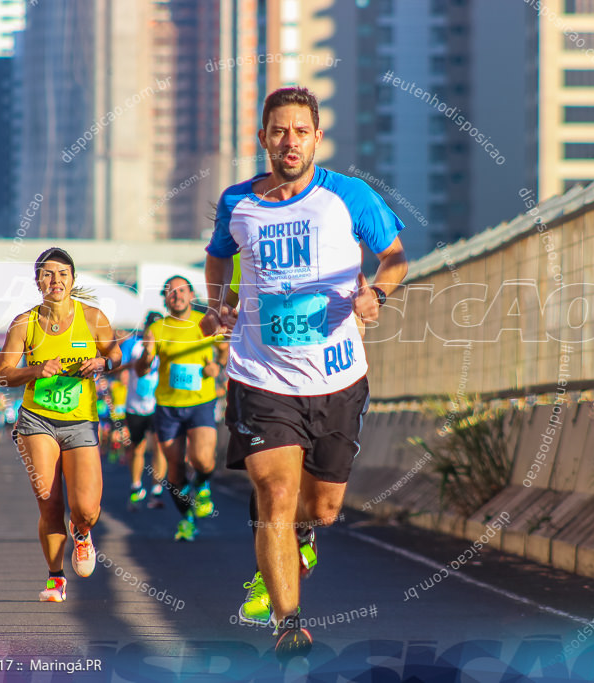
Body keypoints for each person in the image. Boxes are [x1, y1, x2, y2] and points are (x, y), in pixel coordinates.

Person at [202, 86, 408, 658]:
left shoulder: (349, 197)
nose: (288, 142)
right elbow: (218, 254)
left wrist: (379, 296)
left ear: (317, 137)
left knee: (320, 506)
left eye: (300, 131)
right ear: (263, 137)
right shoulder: (238, 202)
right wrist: (220, 300)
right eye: (278, 131)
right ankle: (288, 623)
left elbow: (393, 256)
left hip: (337, 376)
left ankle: (305, 532)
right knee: (274, 490)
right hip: (261, 375)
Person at [0, 247, 121, 602]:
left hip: (80, 421)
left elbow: (114, 354)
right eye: (48, 274)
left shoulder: (93, 318)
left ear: (73, 280)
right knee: (49, 501)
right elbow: (2, 375)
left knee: (87, 509)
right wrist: (36, 369)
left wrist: (102, 364)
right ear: (38, 281)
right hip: (37, 420)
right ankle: (55, 579)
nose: (56, 280)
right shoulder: (25, 323)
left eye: (63, 274)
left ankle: (81, 532)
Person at [136, 276, 226, 542]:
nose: (176, 295)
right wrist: (147, 356)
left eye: (181, 290)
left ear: (191, 295)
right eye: (171, 292)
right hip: (168, 406)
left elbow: (224, 349)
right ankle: (187, 519)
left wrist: (217, 366)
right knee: (174, 470)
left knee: (202, 460)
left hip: (200, 402)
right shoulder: (156, 328)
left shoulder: (205, 322)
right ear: (165, 298)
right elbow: (142, 371)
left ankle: (202, 484)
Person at [122, 311, 168, 510]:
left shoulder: (166, 344)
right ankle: (136, 487)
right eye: (152, 327)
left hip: (159, 404)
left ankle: (157, 491)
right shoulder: (133, 343)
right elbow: (118, 367)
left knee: (160, 446)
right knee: (137, 447)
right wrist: (133, 365)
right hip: (135, 405)